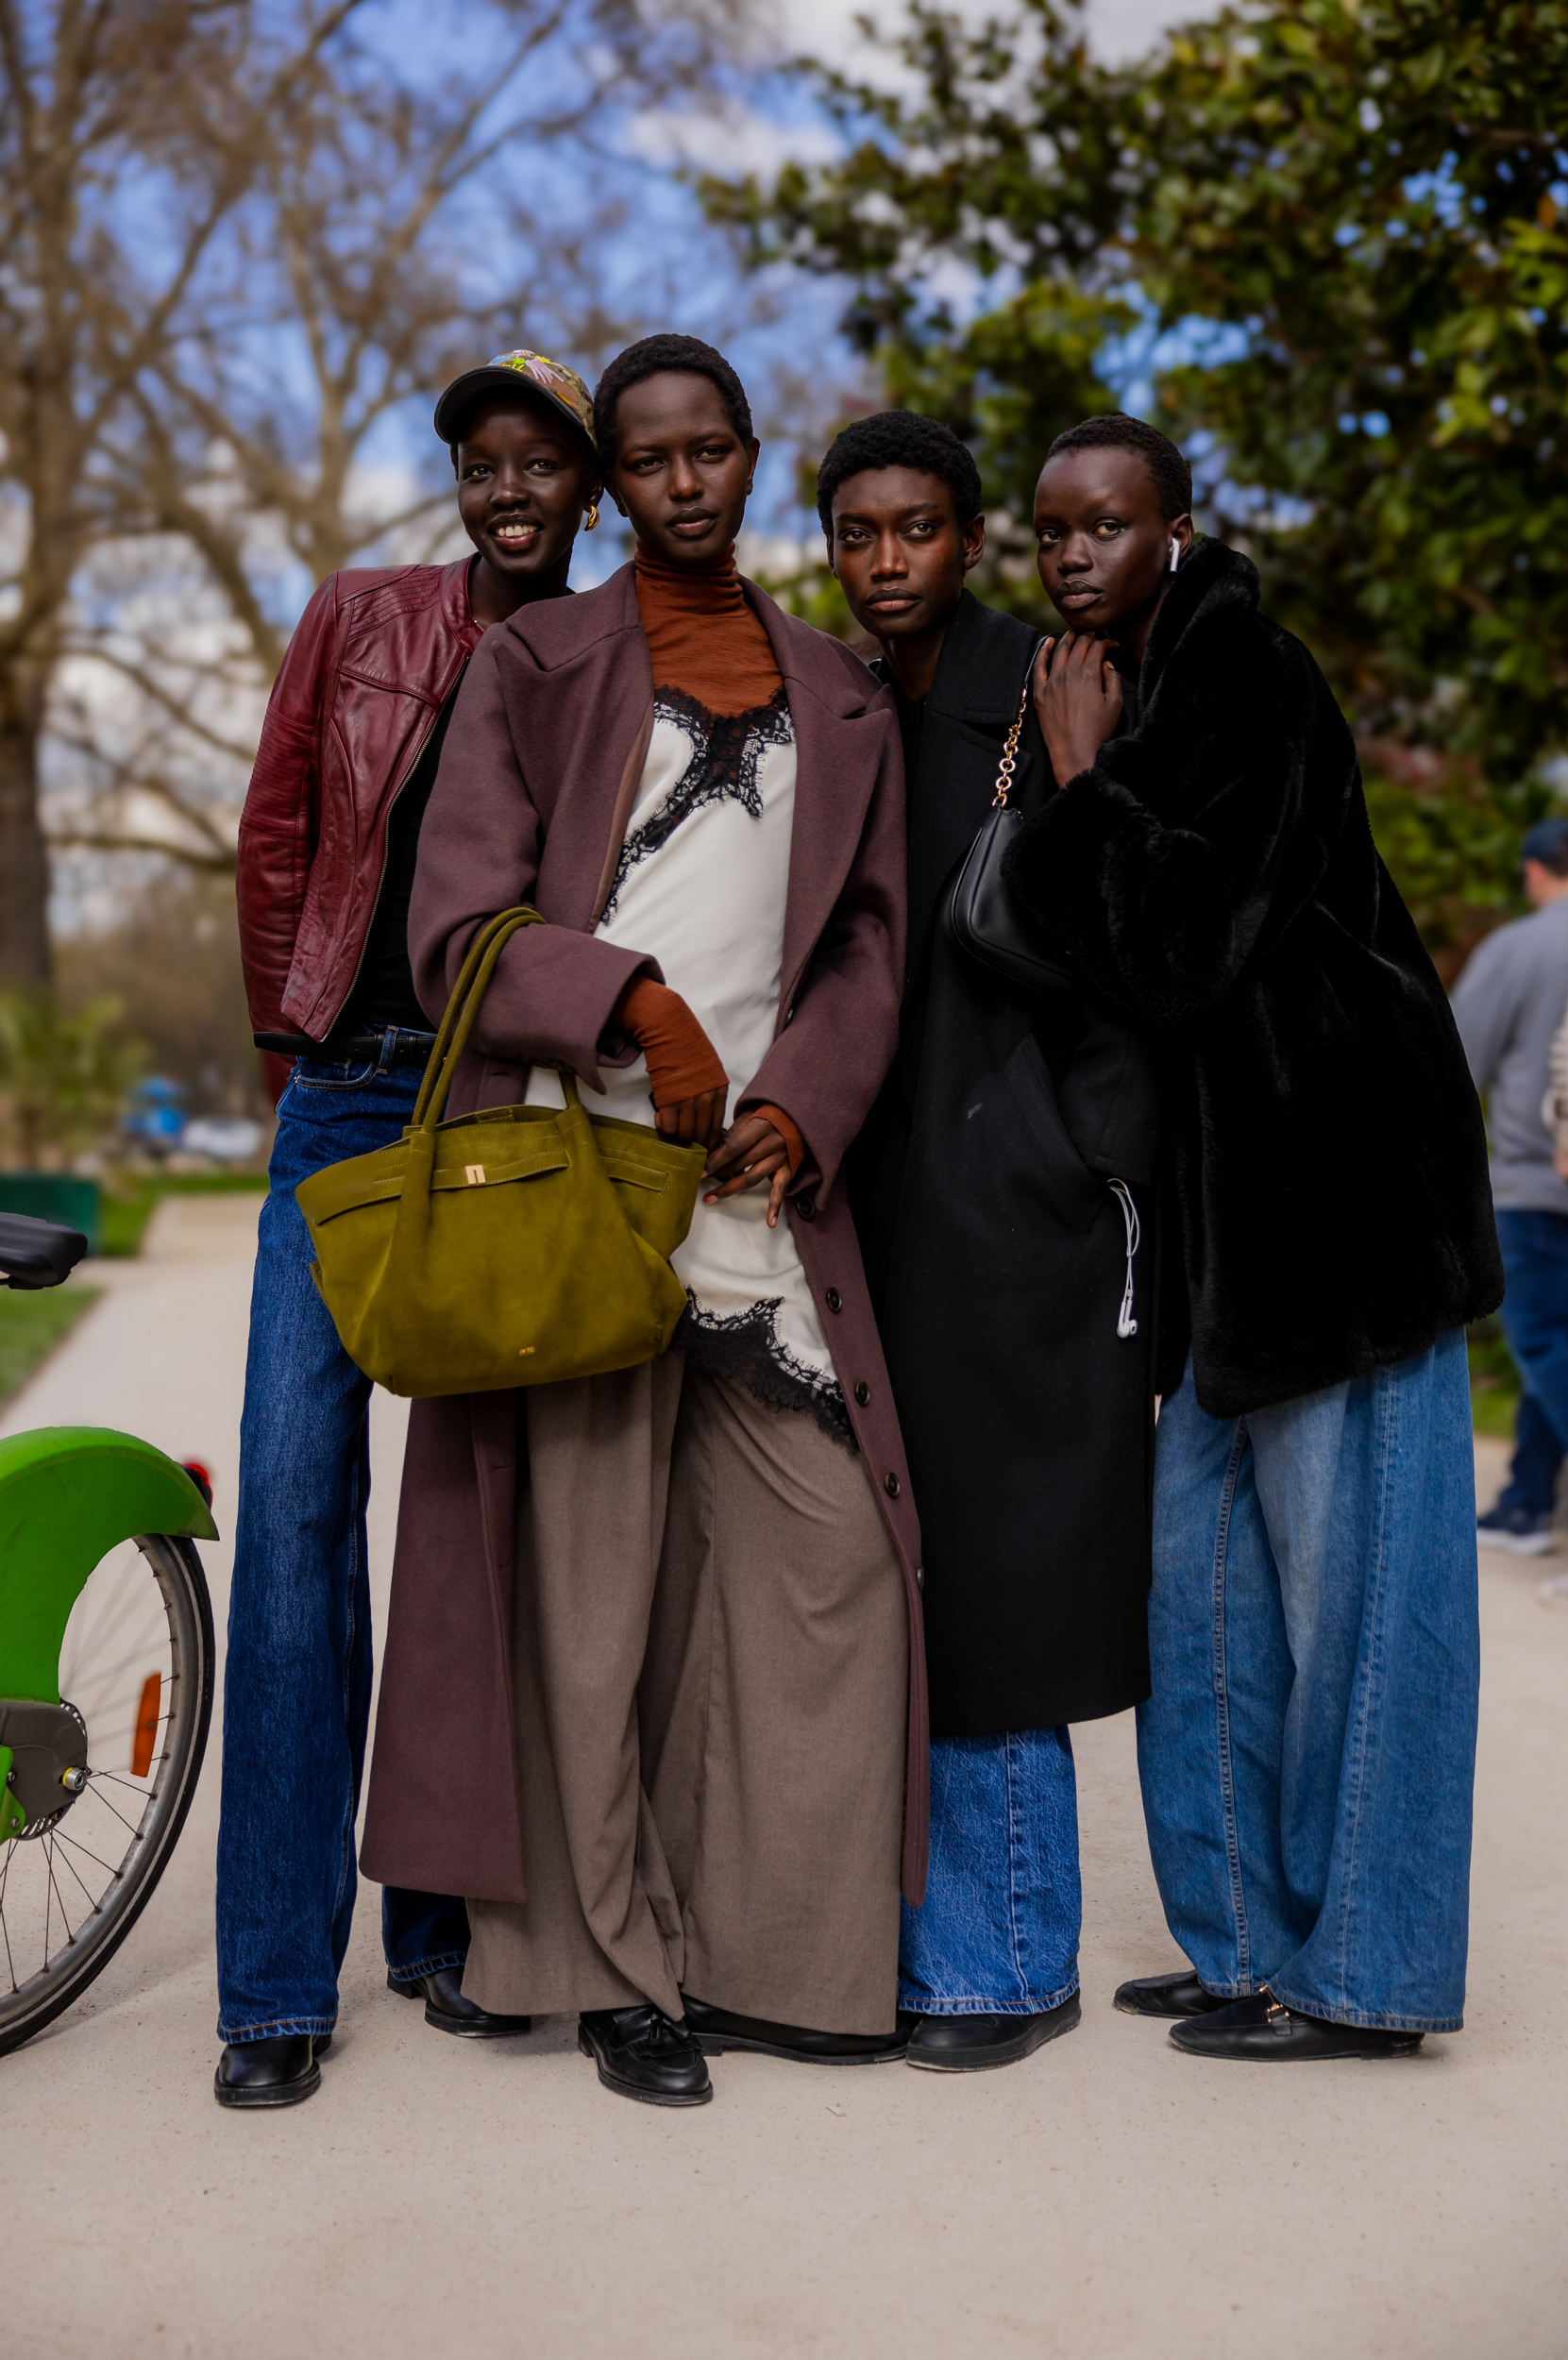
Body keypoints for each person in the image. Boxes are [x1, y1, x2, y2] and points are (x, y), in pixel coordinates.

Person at [359, 335, 927, 2109]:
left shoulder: (839, 687)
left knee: (830, 1566)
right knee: (589, 1605)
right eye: (650, 461)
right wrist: (635, 1008)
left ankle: (774, 1955)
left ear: (751, 461)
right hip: (580, 1186)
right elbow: (453, 927)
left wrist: (798, 1099)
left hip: (759, 1199)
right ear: (613, 487)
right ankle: (614, 1977)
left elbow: (867, 945)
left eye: (712, 452)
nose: (684, 482)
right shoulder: (536, 660)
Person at [1003, 413, 1502, 2062]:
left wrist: (1078, 787)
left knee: (1362, 1612)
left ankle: (1362, 1979)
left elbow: (1182, 949)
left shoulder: (1245, 673)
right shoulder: (1128, 683)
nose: (1070, 552)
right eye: (1050, 528)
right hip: (1236, 1240)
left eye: (1103, 523)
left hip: (1344, 1206)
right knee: (1202, 1603)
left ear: (1174, 525)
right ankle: (1240, 1948)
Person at [220, 349, 603, 2108]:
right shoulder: (361, 617)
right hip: (347, 1101)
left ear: (585, 491)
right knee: (299, 1515)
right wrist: (294, 1044)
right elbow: (282, 826)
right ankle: (276, 1989)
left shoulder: (606, 661)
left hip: (502, 1113)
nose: (509, 489)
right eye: (481, 462)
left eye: (542, 465)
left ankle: (438, 1928)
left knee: (466, 1526)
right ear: (457, 481)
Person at [823, 412, 1159, 2072]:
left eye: (920, 528)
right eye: (857, 533)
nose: (887, 561)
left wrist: (1067, 1159)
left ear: (969, 538)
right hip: (857, 1201)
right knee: (881, 1578)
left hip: (1005, 1195)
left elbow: (1139, 944)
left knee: (1000, 1576)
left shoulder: (1056, 684)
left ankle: (1002, 1960)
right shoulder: (827, 699)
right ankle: (889, 1944)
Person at [1451, 818, 1568, 1555]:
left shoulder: (1518, 948)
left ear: (1532, 872)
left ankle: (1531, 1502)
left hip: (1536, 1183)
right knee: (1558, 1345)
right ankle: (1527, 1501)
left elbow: (1455, 1065)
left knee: (1541, 1342)